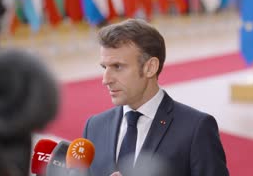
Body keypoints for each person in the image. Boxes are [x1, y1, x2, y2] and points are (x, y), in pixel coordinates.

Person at [83, 19, 229, 176]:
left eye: (117, 67)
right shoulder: (94, 127)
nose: (106, 80)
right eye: (104, 67)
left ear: (150, 67)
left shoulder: (196, 129)